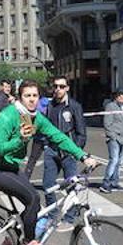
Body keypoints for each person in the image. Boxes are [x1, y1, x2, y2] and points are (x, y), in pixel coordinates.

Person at [0, 80, 98, 245]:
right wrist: (19, 140)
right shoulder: (7, 117)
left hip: (11, 167)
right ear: (20, 97)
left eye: (35, 96)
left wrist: (83, 156)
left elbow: (58, 136)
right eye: (27, 96)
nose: (32, 100)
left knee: (33, 207)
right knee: (33, 198)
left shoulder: (35, 118)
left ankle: (13, 239)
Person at [43, 76, 87, 209]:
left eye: (61, 86)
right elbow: (45, 126)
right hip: (52, 151)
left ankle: (70, 217)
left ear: (67, 88)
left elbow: (81, 132)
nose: (58, 89)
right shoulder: (50, 106)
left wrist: (75, 150)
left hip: (68, 153)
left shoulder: (74, 106)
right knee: (48, 185)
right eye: (55, 86)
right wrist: (46, 145)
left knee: (71, 186)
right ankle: (52, 214)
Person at [101, 90, 123, 192]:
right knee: (113, 160)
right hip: (114, 138)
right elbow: (107, 123)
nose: (122, 97)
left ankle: (115, 182)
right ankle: (106, 183)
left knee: (120, 162)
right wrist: (112, 136)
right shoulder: (111, 106)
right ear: (116, 97)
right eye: (120, 95)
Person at [20, 88, 51, 180]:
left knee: (32, 159)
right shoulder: (48, 103)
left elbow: (28, 118)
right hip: (45, 136)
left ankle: (26, 178)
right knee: (51, 160)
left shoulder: (35, 105)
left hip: (39, 136)